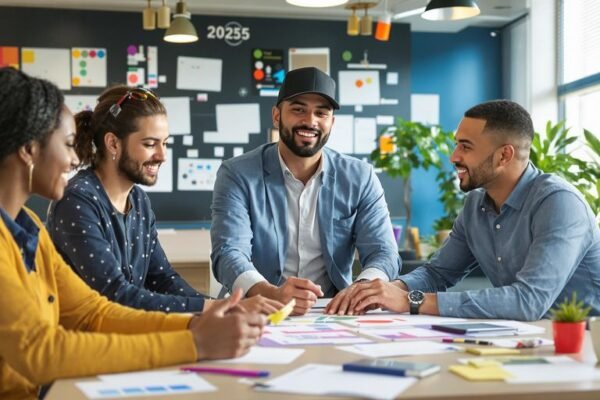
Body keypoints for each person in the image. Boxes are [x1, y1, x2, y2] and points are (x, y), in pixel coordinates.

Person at [0, 67, 266, 400]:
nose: (72, 159)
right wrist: (194, 341)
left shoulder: (29, 228)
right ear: (28, 150)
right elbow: (41, 352)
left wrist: (198, 322)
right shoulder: (74, 199)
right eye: (67, 145)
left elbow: (93, 311)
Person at [347, 100, 600, 321]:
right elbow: (438, 273)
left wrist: (412, 300)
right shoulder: (475, 205)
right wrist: (384, 290)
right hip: (524, 338)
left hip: (585, 348)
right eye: (456, 144)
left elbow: (528, 300)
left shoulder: (559, 203)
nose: (453, 156)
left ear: (503, 156)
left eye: (465, 147)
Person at [47, 85, 282, 314]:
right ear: (113, 143)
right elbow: (115, 294)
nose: (162, 156)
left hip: (127, 333)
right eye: (150, 144)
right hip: (86, 342)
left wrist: (226, 307)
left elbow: (162, 279)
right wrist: (213, 307)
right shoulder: (77, 200)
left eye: (165, 143)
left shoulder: (138, 200)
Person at [211, 67, 400, 316]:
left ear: (331, 122)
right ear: (277, 116)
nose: (310, 121)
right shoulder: (237, 173)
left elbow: (384, 252)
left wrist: (362, 289)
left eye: (321, 113)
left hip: (332, 311)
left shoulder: (360, 177)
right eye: (298, 109)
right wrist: (269, 292)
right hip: (257, 306)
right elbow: (228, 252)